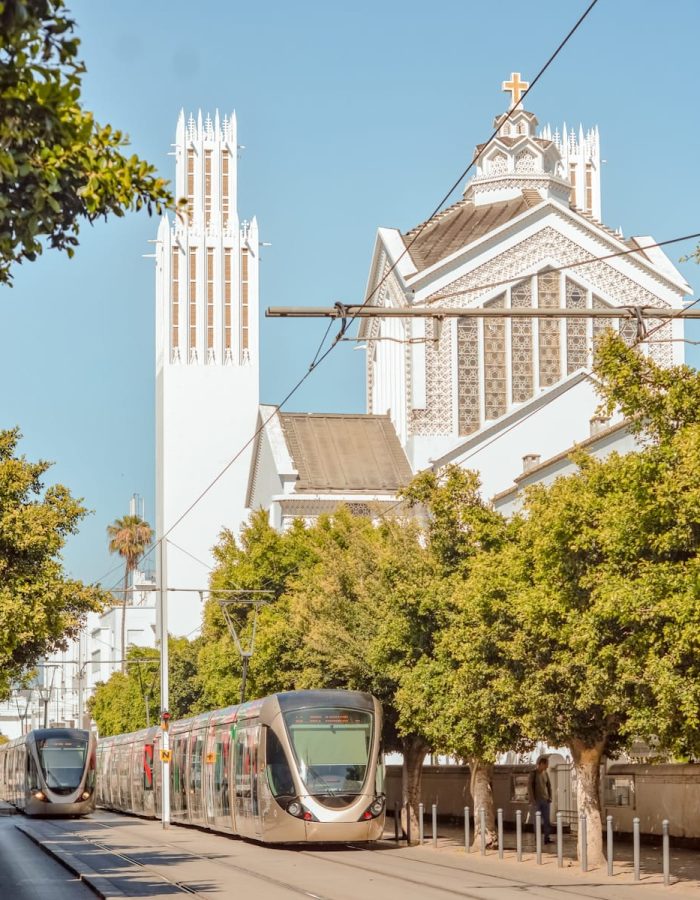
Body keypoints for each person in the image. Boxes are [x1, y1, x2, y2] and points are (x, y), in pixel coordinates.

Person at [528, 756, 553, 844]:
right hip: (537, 801)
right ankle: (537, 838)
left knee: (547, 820)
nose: (547, 766)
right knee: (537, 820)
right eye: (546, 764)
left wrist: (550, 797)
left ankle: (547, 838)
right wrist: (532, 800)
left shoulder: (545, 773)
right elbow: (530, 787)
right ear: (541, 764)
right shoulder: (533, 773)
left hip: (545, 800)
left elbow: (549, 786)